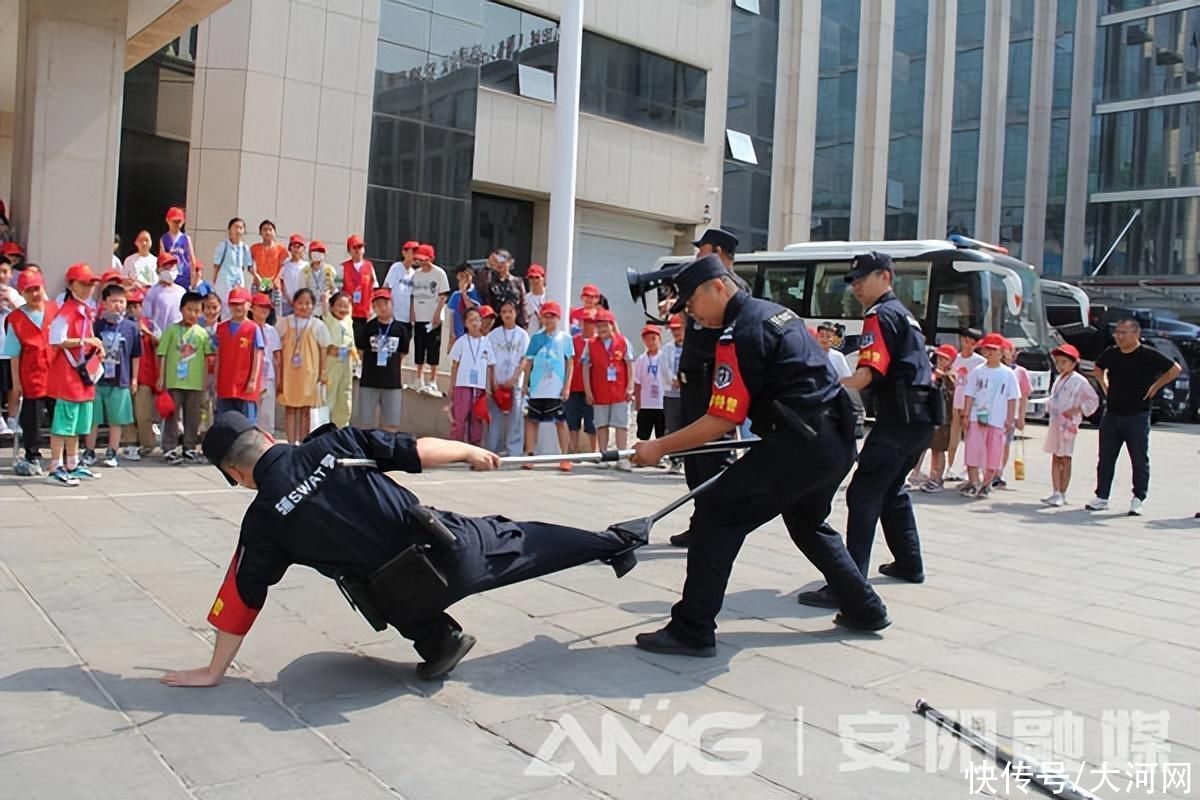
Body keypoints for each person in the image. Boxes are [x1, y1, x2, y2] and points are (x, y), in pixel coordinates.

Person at [159, 412, 646, 686]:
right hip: (452, 552)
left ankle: (437, 641)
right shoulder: (336, 444)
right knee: (532, 540)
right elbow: (413, 450)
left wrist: (213, 670)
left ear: (235, 474)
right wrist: (469, 450)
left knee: (367, 577)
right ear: (266, 436)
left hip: (403, 596)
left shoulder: (263, 520)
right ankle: (612, 543)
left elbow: (243, 593)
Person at [630, 255, 890, 657]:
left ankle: (691, 629)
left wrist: (657, 447)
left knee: (716, 513)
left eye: (692, 304)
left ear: (716, 287)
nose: (693, 315)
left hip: (799, 445)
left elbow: (722, 418)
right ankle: (865, 607)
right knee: (807, 521)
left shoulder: (738, 334)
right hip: (834, 440)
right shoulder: (778, 314)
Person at [800, 252, 938, 605]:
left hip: (898, 419)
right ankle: (909, 562)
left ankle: (849, 584)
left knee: (862, 493)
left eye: (862, 278)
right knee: (892, 490)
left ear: (885, 277)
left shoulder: (879, 315)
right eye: (853, 280)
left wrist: (822, 388)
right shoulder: (906, 316)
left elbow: (866, 375)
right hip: (923, 418)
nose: (856, 286)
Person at [668, 228, 745, 548]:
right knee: (694, 459)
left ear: (717, 251)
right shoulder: (701, 286)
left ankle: (717, 522)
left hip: (713, 385)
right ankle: (701, 520)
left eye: (703, 249)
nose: (698, 254)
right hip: (692, 385)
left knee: (713, 457)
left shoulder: (731, 289)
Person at [1086, 318, 1182, 516]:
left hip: (1137, 415)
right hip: (1112, 414)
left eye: (1123, 333)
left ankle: (1138, 497)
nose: (1119, 337)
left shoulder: (1147, 354)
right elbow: (1098, 368)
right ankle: (1102, 496)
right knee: (1105, 457)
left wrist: (1155, 387)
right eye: (1117, 333)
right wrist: (1105, 385)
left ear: (1135, 334)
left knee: (1139, 458)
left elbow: (1175, 369)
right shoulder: (1111, 353)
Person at [46, 263, 105, 486]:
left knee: (78, 422)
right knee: (63, 423)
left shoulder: (85, 309)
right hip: (68, 376)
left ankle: (73, 462)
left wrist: (96, 346)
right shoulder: (67, 310)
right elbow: (56, 339)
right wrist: (85, 341)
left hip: (82, 377)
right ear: (71, 285)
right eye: (83, 283)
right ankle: (55, 465)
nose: (89, 287)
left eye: (91, 284)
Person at [82, 284, 141, 468]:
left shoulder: (131, 327)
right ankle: (89, 450)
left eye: (122, 301)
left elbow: (136, 355)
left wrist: (134, 378)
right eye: (114, 301)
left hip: (120, 379)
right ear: (104, 303)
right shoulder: (96, 325)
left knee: (117, 419)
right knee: (93, 418)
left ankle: (112, 451)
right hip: (97, 379)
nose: (118, 305)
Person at [4, 269, 52, 474]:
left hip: (56, 375)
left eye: (37, 289)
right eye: (29, 290)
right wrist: (17, 383)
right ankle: (32, 454)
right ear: (22, 293)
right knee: (31, 419)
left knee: (61, 416)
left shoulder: (55, 311)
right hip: (31, 375)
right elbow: (14, 355)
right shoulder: (15, 319)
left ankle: (65, 455)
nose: (34, 294)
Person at [157, 291, 213, 464]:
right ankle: (169, 447)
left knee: (193, 417)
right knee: (172, 416)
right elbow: (163, 354)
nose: (193, 314)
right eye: (189, 310)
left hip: (195, 383)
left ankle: (189, 447)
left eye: (197, 311)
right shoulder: (172, 330)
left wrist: (205, 380)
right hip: (174, 381)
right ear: (181, 309)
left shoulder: (202, 333)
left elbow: (207, 357)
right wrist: (161, 377)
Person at [960, 333, 1019, 498]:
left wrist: (1010, 418)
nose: (990, 353)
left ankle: (986, 483)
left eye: (994, 350)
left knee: (994, 452)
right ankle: (972, 482)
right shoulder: (977, 371)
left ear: (1002, 352)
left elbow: (1012, 397)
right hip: (976, 416)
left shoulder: (1008, 374)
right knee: (973, 449)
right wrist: (965, 414)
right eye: (987, 350)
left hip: (997, 419)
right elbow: (970, 393)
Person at [1043, 343, 1099, 507]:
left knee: (1065, 458)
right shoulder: (1059, 379)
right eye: (1058, 362)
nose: (1061, 366)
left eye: (1064, 362)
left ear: (1074, 363)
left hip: (1068, 424)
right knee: (1055, 456)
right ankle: (1055, 491)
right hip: (1056, 422)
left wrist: (1078, 409)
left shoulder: (1080, 381)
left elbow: (1093, 400)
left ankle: (1062, 492)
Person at [520, 302, 573, 472]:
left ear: (558, 318)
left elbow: (570, 363)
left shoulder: (565, 339)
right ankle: (529, 455)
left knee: (560, 422)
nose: (548, 319)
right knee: (532, 421)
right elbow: (528, 361)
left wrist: (567, 387)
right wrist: (525, 383)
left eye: (552, 316)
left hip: (555, 387)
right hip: (537, 387)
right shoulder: (536, 338)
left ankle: (564, 457)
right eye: (546, 316)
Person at [582, 309, 634, 471]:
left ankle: (622, 457)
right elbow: (585, 367)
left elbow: (630, 364)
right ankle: (603, 455)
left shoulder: (623, 342)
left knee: (621, 425)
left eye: (604, 326)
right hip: (599, 390)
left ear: (612, 325)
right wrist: (588, 391)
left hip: (620, 390)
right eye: (599, 326)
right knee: (601, 425)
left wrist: (630, 386)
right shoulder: (590, 344)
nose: (601, 330)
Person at [276, 289, 329, 445]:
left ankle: (303, 442)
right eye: (300, 302)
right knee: (290, 408)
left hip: (309, 373)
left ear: (313, 306)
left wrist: (323, 372)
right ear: (294, 303)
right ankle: (291, 442)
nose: (304, 306)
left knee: (306, 410)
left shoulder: (318, 325)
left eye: (308, 303)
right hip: (289, 373)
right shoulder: (285, 322)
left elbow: (324, 349)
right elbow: (276, 346)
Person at [354, 289, 407, 431]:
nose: (382, 307)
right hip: (369, 381)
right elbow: (361, 351)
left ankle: (386, 452)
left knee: (391, 424)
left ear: (391, 303)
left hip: (392, 382)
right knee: (366, 423)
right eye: (378, 305)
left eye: (385, 303)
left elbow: (402, 353)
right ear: (373, 307)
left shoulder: (400, 329)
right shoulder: (368, 327)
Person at [212, 287, 264, 423]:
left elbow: (257, 355)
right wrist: (216, 379)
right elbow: (218, 356)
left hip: (245, 385)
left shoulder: (253, 328)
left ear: (249, 305)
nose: (237, 307)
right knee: (225, 422)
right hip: (225, 383)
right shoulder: (221, 328)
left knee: (247, 423)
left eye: (241, 303)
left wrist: (253, 380)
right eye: (234, 304)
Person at [485, 299, 529, 456]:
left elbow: (525, 358)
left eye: (510, 311)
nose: (507, 315)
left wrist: (515, 378)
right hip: (497, 382)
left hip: (515, 383)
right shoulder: (493, 335)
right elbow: (489, 360)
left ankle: (514, 451)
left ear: (516, 313)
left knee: (515, 418)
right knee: (494, 418)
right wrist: (492, 382)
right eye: (504, 312)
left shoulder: (522, 335)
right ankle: (491, 449)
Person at [446, 306, 494, 446]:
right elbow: (455, 365)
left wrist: (489, 386)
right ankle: (456, 447)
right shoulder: (461, 341)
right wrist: (452, 386)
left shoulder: (486, 342)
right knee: (460, 418)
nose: (474, 323)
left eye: (477, 320)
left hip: (479, 387)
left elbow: (490, 366)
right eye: (471, 320)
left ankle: (475, 447)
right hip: (462, 384)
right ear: (465, 323)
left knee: (477, 418)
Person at [945, 327, 984, 481]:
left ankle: (970, 469)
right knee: (953, 437)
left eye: (971, 342)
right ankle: (950, 467)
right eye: (964, 340)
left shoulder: (980, 362)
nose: (967, 344)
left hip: (973, 404)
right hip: (957, 401)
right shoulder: (955, 358)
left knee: (971, 439)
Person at [410, 244, 449, 396]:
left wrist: (437, 314)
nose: (421, 262)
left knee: (433, 348)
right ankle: (419, 378)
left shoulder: (439, 273)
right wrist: (412, 312)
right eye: (418, 259)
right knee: (419, 346)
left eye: (423, 259)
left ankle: (433, 380)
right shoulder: (416, 274)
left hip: (433, 318)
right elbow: (413, 295)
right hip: (419, 316)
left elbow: (443, 295)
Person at [919, 344, 958, 493]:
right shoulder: (933, 372)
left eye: (945, 358)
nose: (941, 360)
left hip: (945, 418)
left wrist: (944, 378)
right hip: (933, 415)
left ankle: (938, 478)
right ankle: (932, 476)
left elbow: (953, 393)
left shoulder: (951, 375)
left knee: (939, 449)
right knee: (933, 448)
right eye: (939, 357)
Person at [126, 288, 160, 458]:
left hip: (145, 376)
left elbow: (160, 344)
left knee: (143, 413)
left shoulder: (150, 323)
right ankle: (130, 443)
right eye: (130, 306)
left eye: (137, 306)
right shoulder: (122, 324)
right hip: (126, 376)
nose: (133, 310)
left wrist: (146, 331)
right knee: (128, 413)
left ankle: (148, 443)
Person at [564, 307, 598, 455]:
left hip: (592, 389)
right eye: (586, 322)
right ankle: (574, 451)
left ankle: (594, 452)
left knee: (592, 423)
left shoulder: (597, 342)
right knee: (573, 423)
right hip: (574, 388)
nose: (589, 325)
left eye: (592, 322)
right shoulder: (572, 341)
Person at [322, 291, 357, 428]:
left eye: (345, 306)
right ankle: (323, 429)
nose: (343, 309)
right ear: (331, 307)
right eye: (339, 305)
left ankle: (342, 428)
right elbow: (325, 308)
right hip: (332, 362)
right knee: (329, 397)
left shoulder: (348, 321)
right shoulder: (329, 320)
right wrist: (326, 297)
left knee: (345, 396)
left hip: (346, 364)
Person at [250, 293, 280, 435]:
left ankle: (268, 444)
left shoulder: (272, 331)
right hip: (251, 375)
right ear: (252, 308)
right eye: (260, 307)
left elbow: (277, 356)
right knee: (251, 413)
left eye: (267, 308)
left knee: (267, 415)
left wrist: (279, 379)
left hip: (268, 376)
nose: (264, 311)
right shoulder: (248, 328)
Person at [475, 248, 527, 329]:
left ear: (509, 262)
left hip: (515, 324)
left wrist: (524, 324)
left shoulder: (517, 282)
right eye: (497, 262)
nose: (499, 265)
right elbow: (482, 292)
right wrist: (489, 266)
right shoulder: (489, 281)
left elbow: (522, 304)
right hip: (495, 324)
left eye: (502, 262)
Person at [633, 325, 667, 447]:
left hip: (662, 402)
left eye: (653, 338)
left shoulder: (664, 357)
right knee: (643, 433)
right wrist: (638, 403)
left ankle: (661, 457)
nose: (651, 342)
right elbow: (637, 383)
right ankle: (642, 457)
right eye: (647, 339)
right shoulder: (641, 360)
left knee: (662, 433)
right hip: (646, 403)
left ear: (659, 339)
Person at [381, 240, 417, 358]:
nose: (414, 255)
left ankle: (397, 371)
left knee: (403, 349)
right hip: (394, 316)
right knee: (389, 347)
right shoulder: (396, 268)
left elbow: (413, 297)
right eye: (412, 252)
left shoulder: (414, 273)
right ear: (404, 252)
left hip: (407, 318)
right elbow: (387, 289)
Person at [211, 218, 253, 316]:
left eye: (241, 228)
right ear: (229, 229)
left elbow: (248, 266)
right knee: (225, 306)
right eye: (235, 227)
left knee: (239, 303)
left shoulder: (245, 248)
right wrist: (215, 280)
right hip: (224, 279)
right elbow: (216, 265)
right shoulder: (223, 245)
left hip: (238, 280)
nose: (238, 230)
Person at [660, 313, 685, 473]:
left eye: (679, 329)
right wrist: (673, 380)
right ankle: (675, 459)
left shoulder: (691, 347)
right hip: (671, 393)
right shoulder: (668, 349)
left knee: (686, 425)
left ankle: (685, 459)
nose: (676, 333)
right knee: (672, 427)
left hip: (687, 393)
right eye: (674, 330)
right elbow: (664, 369)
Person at [341, 234, 376, 339]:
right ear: (349, 250)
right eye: (354, 247)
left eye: (360, 247)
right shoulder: (342, 267)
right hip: (347, 312)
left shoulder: (369, 266)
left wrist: (372, 309)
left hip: (364, 313)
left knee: (361, 343)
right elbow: (337, 290)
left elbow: (374, 287)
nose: (357, 250)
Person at [144, 252, 186, 335]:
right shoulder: (153, 292)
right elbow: (146, 318)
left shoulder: (182, 291)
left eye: (172, 267)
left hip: (179, 338)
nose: (170, 271)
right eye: (166, 268)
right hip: (160, 338)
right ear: (158, 270)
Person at [159, 206, 198, 290]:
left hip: (184, 277)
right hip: (170, 277)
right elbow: (161, 260)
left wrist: (193, 279)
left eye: (179, 221)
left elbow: (192, 260)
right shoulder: (164, 239)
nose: (177, 224)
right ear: (168, 220)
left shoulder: (186, 238)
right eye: (174, 221)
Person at [446, 262, 481, 349]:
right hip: (459, 335)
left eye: (466, 276)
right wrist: (452, 333)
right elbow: (450, 315)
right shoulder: (455, 295)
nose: (464, 279)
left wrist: (464, 293)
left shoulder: (476, 292)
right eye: (461, 276)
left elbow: (473, 310)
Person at [301, 239, 337, 318]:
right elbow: (301, 290)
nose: (317, 254)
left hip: (325, 309)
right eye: (314, 251)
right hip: (309, 310)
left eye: (320, 251)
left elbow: (334, 290)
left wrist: (328, 295)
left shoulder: (331, 270)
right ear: (310, 254)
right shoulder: (304, 271)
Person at [250, 220, 287, 291]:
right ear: (260, 232)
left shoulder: (281, 249)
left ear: (274, 232)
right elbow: (251, 266)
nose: (268, 232)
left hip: (275, 285)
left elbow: (283, 266)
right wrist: (258, 278)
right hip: (258, 283)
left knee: (273, 302)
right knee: (259, 302)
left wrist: (277, 278)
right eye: (264, 229)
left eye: (270, 229)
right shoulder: (254, 248)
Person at [275, 234, 307, 317]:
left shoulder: (307, 266)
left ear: (303, 249)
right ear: (290, 248)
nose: (296, 249)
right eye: (294, 246)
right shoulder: (285, 265)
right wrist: (288, 299)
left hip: (302, 303)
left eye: (299, 246)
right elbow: (281, 282)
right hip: (286, 303)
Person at [523, 263, 546, 335]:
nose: (534, 281)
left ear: (543, 278)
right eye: (531, 278)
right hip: (531, 334)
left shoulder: (549, 296)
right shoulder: (526, 299)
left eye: (537, 277)